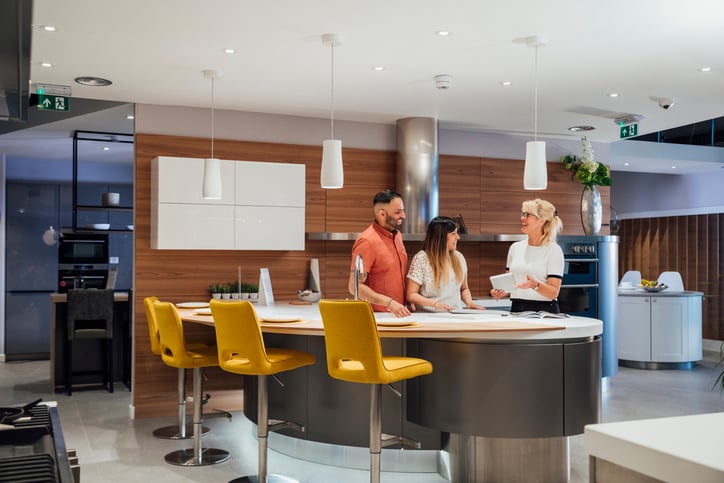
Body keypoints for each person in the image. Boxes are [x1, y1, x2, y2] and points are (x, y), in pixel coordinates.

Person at [490, 199, 564, 313]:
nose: (522, 218)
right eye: (522, 213)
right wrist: (501, 291)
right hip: (516, 308)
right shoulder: (515, 247)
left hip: (544, 311)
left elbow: (554, 292)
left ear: (542, 220)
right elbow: (510, 284)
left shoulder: (553, 250)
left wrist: (535, 285)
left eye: (527, 215)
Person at [348, 189, 411, 317]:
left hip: (399, 314)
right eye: (398, 212)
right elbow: (354, 286)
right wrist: (390, 303)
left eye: (403, 210)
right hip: (376, 316)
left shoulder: (397, 235)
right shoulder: (367, 242)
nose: (403, 216)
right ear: (382, 214)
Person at [406, 216, 484, 312]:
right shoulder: (421, 259)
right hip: (427, 317)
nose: (458, 237)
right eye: (453, 234)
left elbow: (464, 288)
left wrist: (469, 302)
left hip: (455, 316)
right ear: (441, 237)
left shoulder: (459, 258)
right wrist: (434, 304)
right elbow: (411, 294)